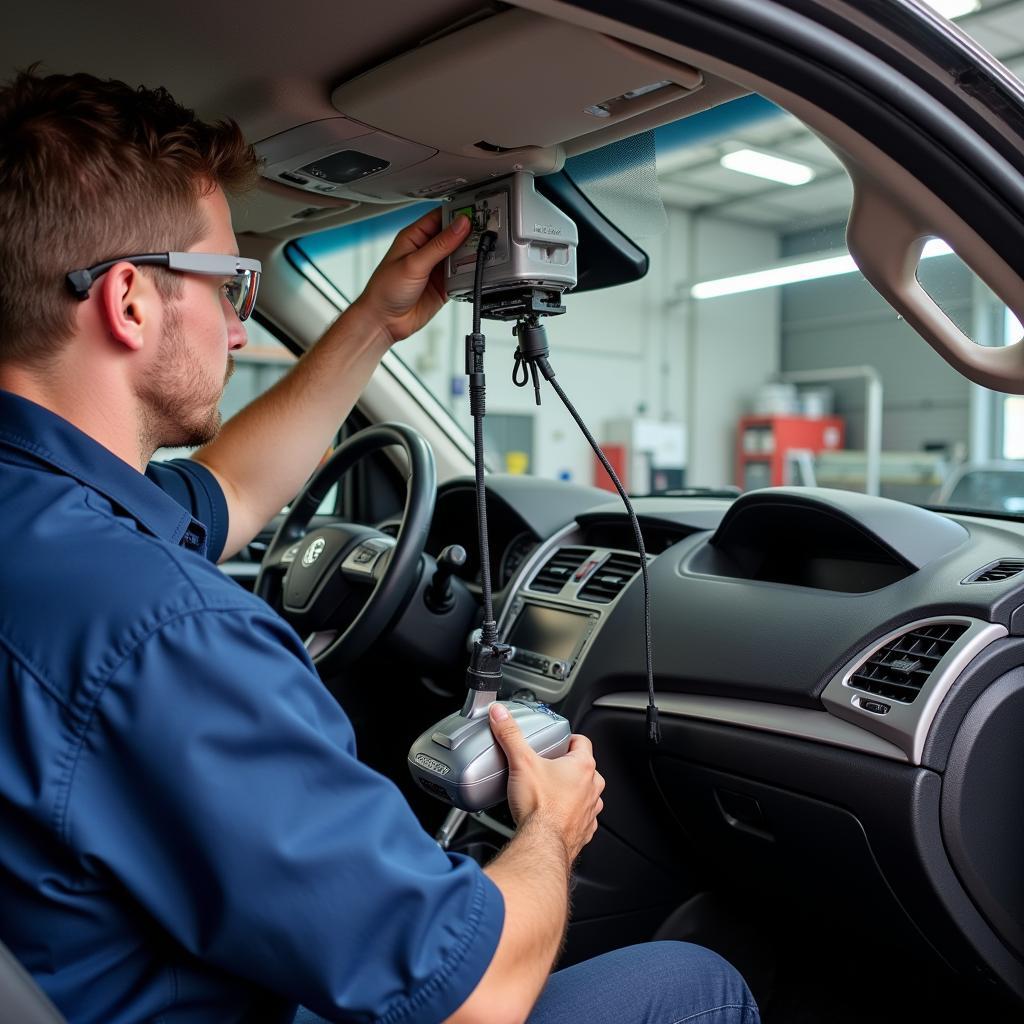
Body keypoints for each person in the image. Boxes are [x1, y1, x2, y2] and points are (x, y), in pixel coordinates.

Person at [0, 69, 760, 1024]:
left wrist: (375, 321)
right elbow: (476, 994)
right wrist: (549, 830)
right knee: (693, 984)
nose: (238, 330)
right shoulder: (166, 632)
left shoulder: (50, 522)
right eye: (230, 284)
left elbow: (232, 487)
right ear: (130, 302)